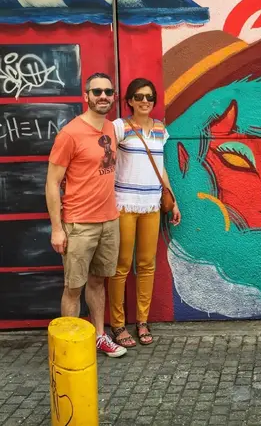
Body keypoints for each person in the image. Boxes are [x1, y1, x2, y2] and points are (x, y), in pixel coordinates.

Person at [46, 72, 126, 358]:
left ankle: (99, 336)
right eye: (97, 91)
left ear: (114, 96)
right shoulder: (70, 134)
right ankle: (69, 347)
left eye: (108, 92)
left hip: (109, 220)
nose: (103, 96)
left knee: (97, 282)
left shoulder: (112, 129)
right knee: (73, 287)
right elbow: (52, 183)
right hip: (79, 224)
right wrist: (57, 228)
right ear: (86, 96)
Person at [108, 78, 181, 347]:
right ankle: (117, 324)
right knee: (121, 266)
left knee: (147, 264)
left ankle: (142, 321)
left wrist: (173, 201)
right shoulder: (119, 127)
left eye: (149, 97)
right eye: (139, 96)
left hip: (152, 204)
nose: (145, 101)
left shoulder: (161, 129)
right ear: (129, 100)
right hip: (124, 204)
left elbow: (161, 167)